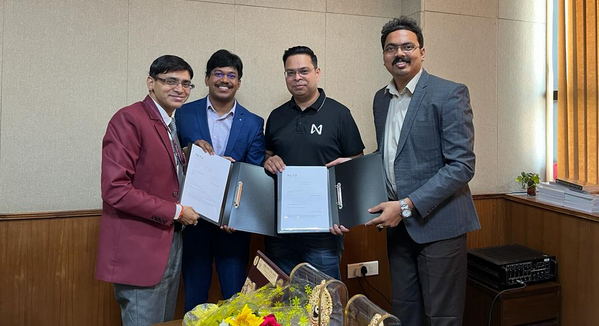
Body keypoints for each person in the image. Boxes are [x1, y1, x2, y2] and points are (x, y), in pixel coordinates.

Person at [365, 17, 480, 325]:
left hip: (440, 225)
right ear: (384, 56)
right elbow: (390, 155)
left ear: (422, 52)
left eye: (407, 46)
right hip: (399, 229)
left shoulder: (449, 93)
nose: (399, 53)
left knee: (442, 317)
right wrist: (352, 168)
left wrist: (405, 206)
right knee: (405, 312)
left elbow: (462, 165)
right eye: (391, 48)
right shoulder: (381, 99)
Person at [96, 55, 200, 326]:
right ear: (151, 83)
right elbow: (115, 190)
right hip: (140, 249)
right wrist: (176, 211)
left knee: (163, 322)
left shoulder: (168, 123)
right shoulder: (129, 119)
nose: (180, 89)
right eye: (171, 81)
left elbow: (159, 172)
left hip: (169, 243)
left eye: (187, 84)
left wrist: (197, 159)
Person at [263, 45, 365, 279]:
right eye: (290, 72)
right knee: (282, 300)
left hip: (324, 229)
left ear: (317, 72)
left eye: (304, 71)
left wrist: (345, 215)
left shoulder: (340, 114)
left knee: (324, 302)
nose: (297, 77)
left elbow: (357, 166)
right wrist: (269, 161)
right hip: (280, 227)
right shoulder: (276, 116)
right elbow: (268, 157)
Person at [175, 49, 266, 311]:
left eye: (231, 75)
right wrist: (188, 152)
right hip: (193, 221)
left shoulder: (253, 122)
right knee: (194, 297)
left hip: (233, 227)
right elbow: (170, 160)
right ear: (206, 79)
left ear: (239, 82)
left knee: (235, 298)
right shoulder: (183, 113)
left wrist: (234, 170)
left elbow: (254, 171)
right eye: (218, 73)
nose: (224, 80)